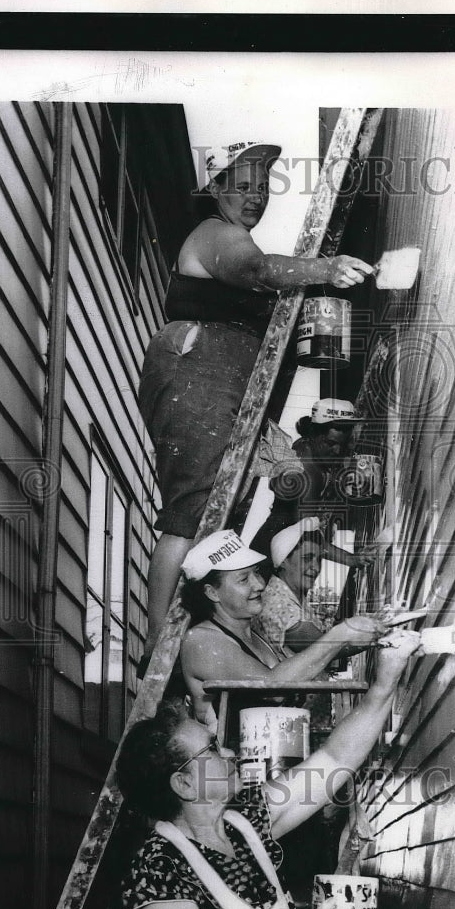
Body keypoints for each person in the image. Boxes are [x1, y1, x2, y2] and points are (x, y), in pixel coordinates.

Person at [139, 142, 374, 665]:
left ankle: (200, 627)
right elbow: (256, 270)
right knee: (193, 510)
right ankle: (159, 640)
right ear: (216, 190)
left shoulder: (234, 236)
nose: (255, 197)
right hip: (196, 368)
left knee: (227, 511)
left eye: (263, 187)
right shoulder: (216, 234)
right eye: (242, 186)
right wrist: (325, 267)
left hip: (232, 386)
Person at [116, 629, 422, 909]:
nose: (230, 752)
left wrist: (385, 681)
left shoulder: (245, 821)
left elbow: (334, 760)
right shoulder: (157, 866)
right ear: (184, 784)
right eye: (212, 749)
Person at [177, 529, 389, 727]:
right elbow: (272, 687)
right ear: (212, 593)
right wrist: (339, 635)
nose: (259, 585)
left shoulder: (253, 635)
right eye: (243, 579)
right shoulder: (201, 640)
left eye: (256, 573)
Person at [249, 398, 377, 576]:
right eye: (331, 444)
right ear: (315, 433)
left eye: (342, 444)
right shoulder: (306, 473)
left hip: (287, 553)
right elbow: (306, 534)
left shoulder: (311, 447)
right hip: (271, 557)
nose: (337, 451)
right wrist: (351, 559)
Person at [255, 516, 329, 657]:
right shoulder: (277, 603)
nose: (316, 567)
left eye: (319, 559)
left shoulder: (294, 594)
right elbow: (327, 647)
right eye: (307, 558)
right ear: (283, 561)